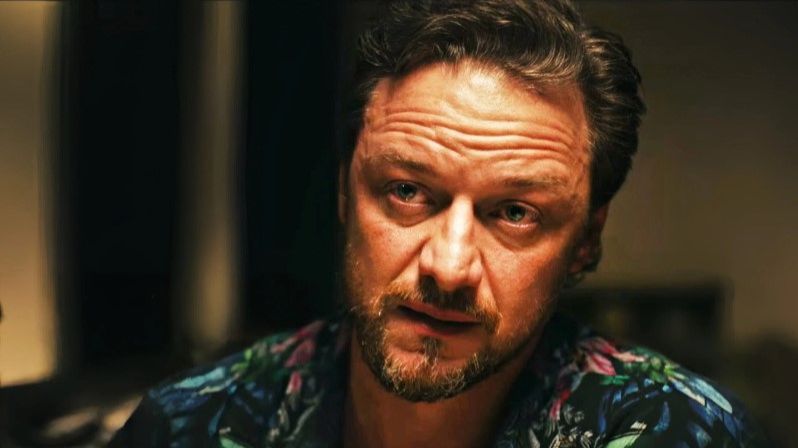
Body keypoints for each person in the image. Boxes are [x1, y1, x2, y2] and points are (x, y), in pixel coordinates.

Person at [111, 0, 765, 446]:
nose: (448, 267)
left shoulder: (680, 431)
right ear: (344, 195)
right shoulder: (193, 424)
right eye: (407, 191)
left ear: (585, 241)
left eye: (515, 213)